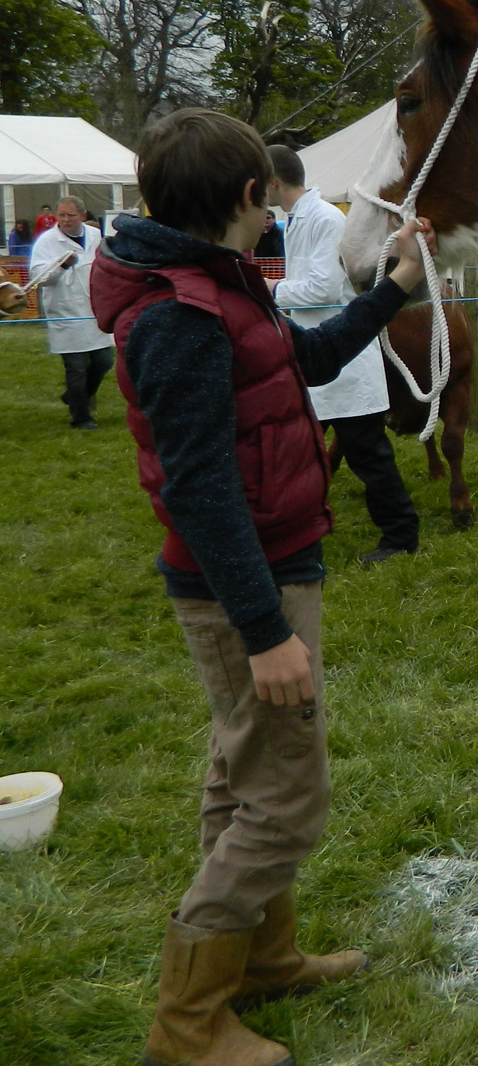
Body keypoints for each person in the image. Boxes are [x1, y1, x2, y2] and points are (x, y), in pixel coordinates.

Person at [90, 109, 437, 1065]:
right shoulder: (183, 317)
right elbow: (199, 489)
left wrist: (392, 289)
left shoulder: (219, 290)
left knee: (243, 774)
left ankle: (263, 958)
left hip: (268, 572)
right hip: (249, 588)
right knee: (287, 799)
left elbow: (305, 359)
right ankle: (188, 1021)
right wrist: (263, 629)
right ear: (253, 199)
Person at [267, 144, 419, 566]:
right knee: (297, 454)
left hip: (344, 358)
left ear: (273, 182)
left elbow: (325, 288)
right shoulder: (297, 219)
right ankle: (297, 529)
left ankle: (402, 535)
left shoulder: (325, 218)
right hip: (315, 357)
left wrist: (268, 289)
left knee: (369, 457)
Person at [28, 196, 116, 428]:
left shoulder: (96, 235)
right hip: (66, 311)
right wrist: (61, 266)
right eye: (62, 215)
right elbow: (39, 279)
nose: (65, 220)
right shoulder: (47, 242)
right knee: (76, 368)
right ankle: (81, 418)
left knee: (104, 361)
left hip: (93, 309)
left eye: (71, 215)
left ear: (83, 216)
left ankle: (75, 396)